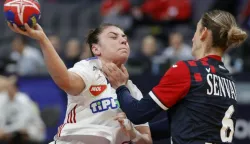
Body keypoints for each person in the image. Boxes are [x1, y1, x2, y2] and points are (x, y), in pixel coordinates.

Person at [102, 10, 248, 144]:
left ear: (203, 33)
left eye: (195, 31)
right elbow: (183, 123)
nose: (192, 39)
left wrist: (121, 86)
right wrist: (133, 130)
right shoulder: (228, 78)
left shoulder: (188, 70)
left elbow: (138, 113)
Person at [7, 22, 152, 144]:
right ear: (96, 49)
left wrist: (132, 132)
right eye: (113, 37)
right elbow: (65, 81)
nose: (123, 40)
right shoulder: (89, 69)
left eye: (124, 37)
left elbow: (146, 140)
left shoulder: (133, 91)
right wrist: (43, 39)